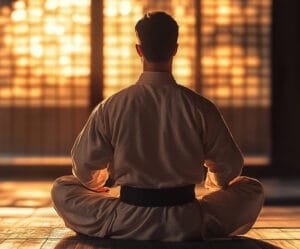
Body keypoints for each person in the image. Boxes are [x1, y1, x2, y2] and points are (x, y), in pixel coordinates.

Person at [51, 11, 264, 241]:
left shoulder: (111, 106)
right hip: (187, 219)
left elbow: (84, 167)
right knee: (251, 189)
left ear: (139, 50)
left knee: (63, 187)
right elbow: (230, 166)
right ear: (175, 49)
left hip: (127, 218)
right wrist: (215, 185)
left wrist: (96, 184)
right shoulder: (200, 106)